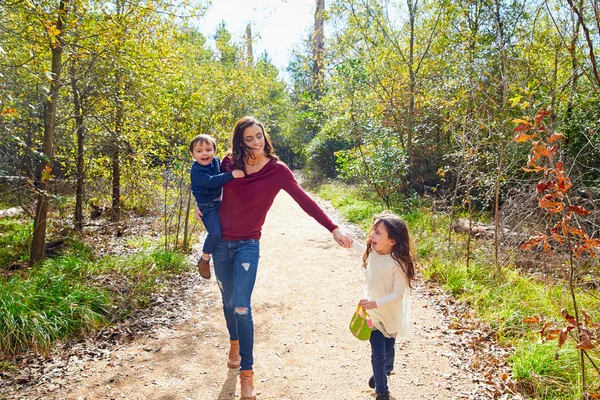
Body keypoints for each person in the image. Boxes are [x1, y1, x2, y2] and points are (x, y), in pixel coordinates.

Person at [195, 116, 351, 400]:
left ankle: (247, 374)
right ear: (240, 142)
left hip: (248, 244)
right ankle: (234, 341)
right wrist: (202, 208)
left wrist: (333, 227)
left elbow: (305, 200)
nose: (256, 142)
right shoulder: (230, 163)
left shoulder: (277, 170)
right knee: (228, 302)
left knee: (242, 306)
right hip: (221, 244)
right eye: (249, 139)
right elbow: (207, 185)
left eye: (259, 136)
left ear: (265, 135)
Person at [351, 212, 415, 400]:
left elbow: (398, 294)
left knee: (388, 349)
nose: (372, 235)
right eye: (373, 231)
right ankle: (382, 390)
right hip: (375, 315)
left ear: (392, 241)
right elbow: (360, 249)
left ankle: (387, 368)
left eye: (378, 233)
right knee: (377, 352)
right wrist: (349, 241)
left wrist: (376, 302)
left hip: (391, 314)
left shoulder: (399, 265)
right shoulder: (374, 254)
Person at [189, 134, 245, 279]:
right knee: (215, 233)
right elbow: (210, 181)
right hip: (207, 206)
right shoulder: (197, 169)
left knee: (232, 223)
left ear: (214, 151)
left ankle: (237, 255)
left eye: (208, 149)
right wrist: (232, 175)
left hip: (218, 201)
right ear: (192, 154)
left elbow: (221, 173)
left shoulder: (215, 161)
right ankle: (204, 259)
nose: (204, 153)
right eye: (199, 151)